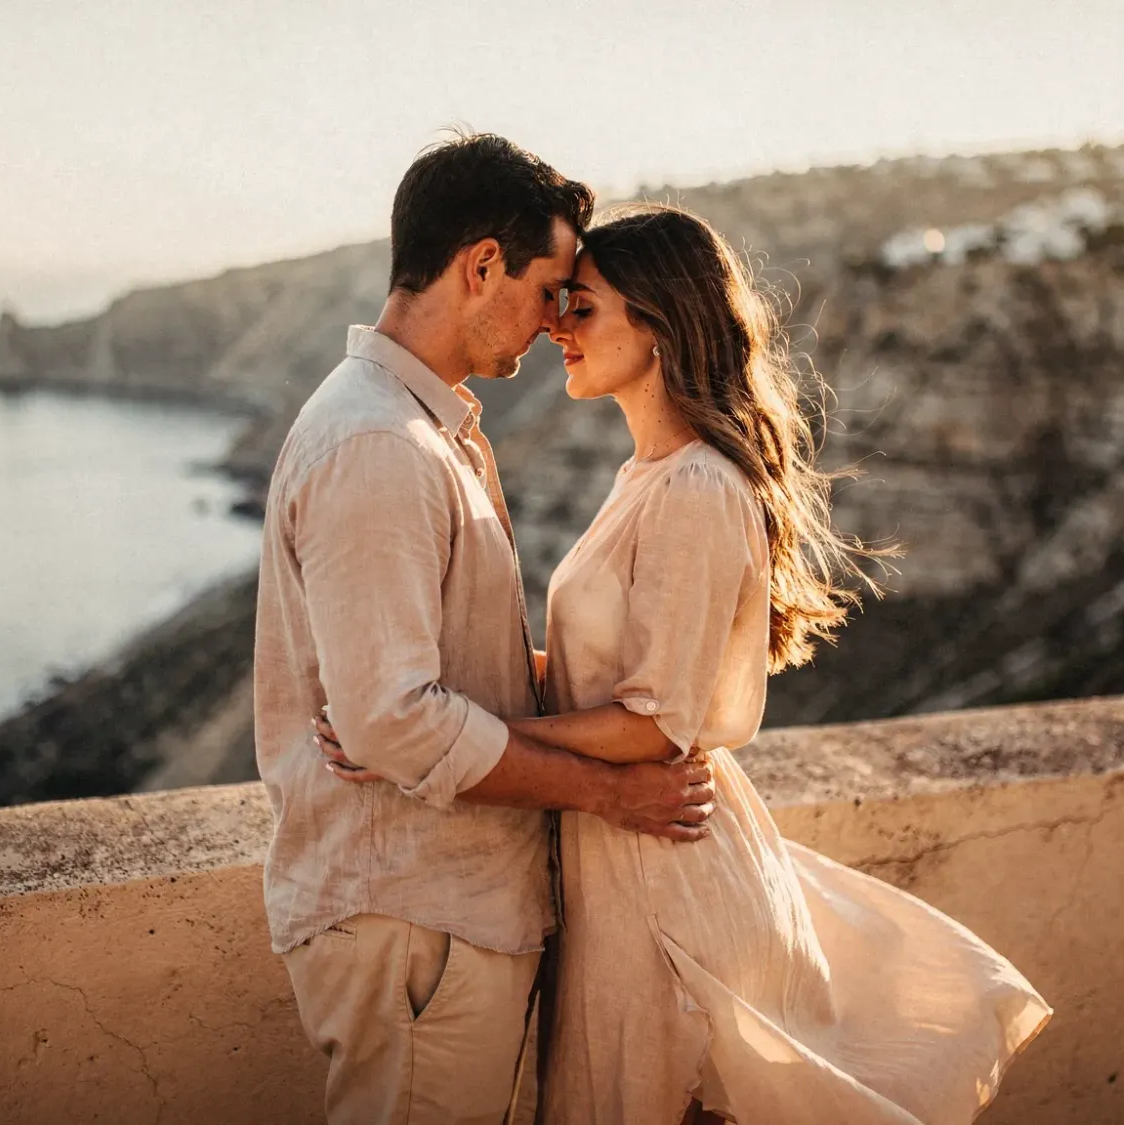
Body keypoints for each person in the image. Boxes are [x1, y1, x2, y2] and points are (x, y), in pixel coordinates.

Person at [321, 204, 1051, 1124]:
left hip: (664, 876)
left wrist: (436, 736)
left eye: (581, 308)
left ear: (658, 325)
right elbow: (602, 678)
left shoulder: (701, 487)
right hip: (621, 860)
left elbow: (653, 720)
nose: (557, 328)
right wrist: (418, 712)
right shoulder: (652, 476)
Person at [253, 137, 720, 1125]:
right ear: (480, 266)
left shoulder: (422, 432)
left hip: (442, 915)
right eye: (550, 286)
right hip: (412, 916)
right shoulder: (382, 445)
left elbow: (445, 686)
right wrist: (613, 793)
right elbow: (392, 725)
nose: (555, 318)